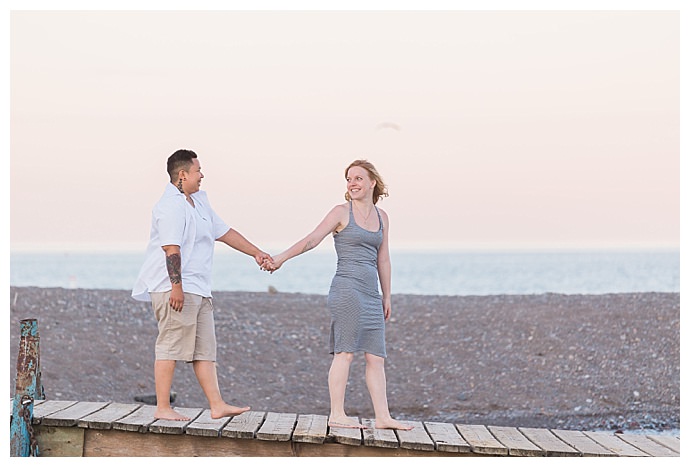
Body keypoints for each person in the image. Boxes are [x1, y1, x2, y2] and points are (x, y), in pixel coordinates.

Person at [263, 160, 412, 431]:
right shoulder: (341, 212)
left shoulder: (382, 217)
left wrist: (387, 296)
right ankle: (337, 414)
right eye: (348, 179)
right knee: (345, 353)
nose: (352, 183)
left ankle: (383, 416)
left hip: (370, 294)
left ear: (372, 183)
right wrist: (281, 258)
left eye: (358, 178)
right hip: (346, 289)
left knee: (376, 357)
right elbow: (312, 239)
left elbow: (384, 259)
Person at [132, 149, 272, 421]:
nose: (202, 175)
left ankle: (217, 404)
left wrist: (256, 252)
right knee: (170, 346)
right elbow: (171, 249)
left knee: (204, 350)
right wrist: (176, 287)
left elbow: (224, 232)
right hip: (173, 287)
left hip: (199, 288)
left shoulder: (199, 202)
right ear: (183, 175)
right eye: (198, 171)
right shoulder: (170, 205)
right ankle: (162, 407)